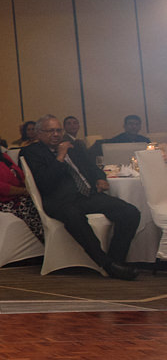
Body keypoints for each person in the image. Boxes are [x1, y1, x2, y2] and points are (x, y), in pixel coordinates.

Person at [20, 114, 141, 280]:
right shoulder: (31, 152)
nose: (56, 134)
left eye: (58, 130)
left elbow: (93, 167)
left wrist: (100, 178)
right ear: (39, 133)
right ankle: (106, 264)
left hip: (86, 196)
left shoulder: (74, 146)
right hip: (58, 200)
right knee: (74, 216)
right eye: (50, 131)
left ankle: (116, 260)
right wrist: (60, 157)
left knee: (130, 212)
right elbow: (45, 182)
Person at [0, 124, 44, 243]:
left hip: (19, 196)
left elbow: (21, 175)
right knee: (33, 205)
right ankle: (45, 241)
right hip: (3, 202)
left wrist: (29, 189)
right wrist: (24, 191)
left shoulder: (4, 157)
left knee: (44, 200)